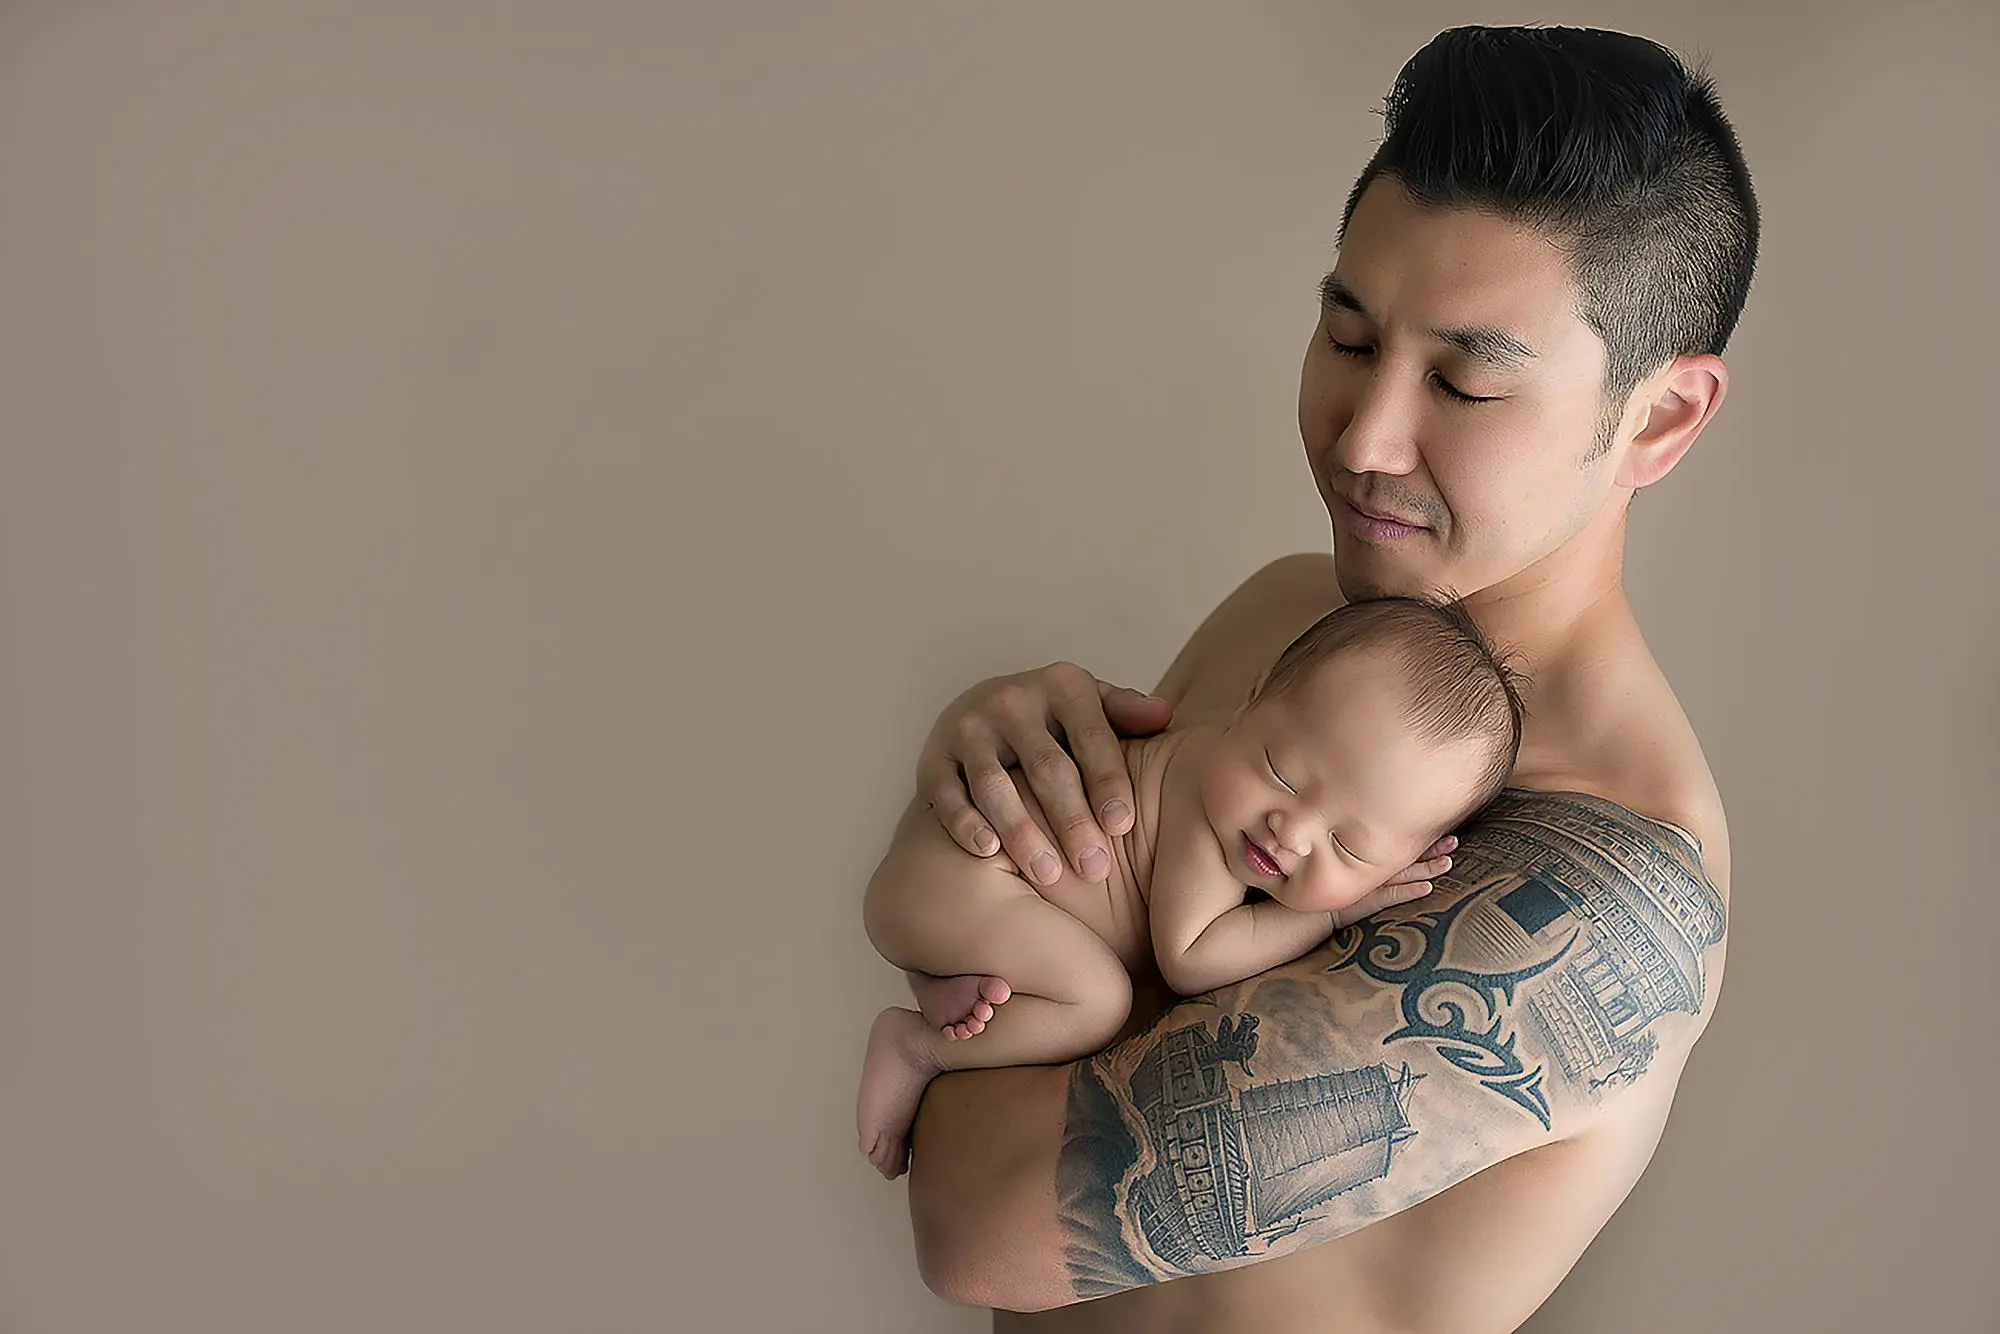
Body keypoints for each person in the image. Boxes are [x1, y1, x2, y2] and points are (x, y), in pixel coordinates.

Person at [896, 24, 1756, 1332]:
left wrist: (986, 907)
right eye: (1349, 340)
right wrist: (979, 783)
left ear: (1659, 417)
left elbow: (979, 1214)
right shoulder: (1296, 610)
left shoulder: (1614, 885)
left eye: (1464, 384)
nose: (1363, 438)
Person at [857, 598, 1525, 1180]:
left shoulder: (1238, 791)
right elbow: (1193, 957)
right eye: (1282, 774)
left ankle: (946, 979)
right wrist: (1338, 910)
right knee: (1095, 1001)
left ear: (1404, 861)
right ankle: (916, 1044)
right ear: (1252, 697)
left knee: (1055, 969)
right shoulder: (1202, 802)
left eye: (1349, 848)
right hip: (962, 874)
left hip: (955, 882)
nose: (1289, 832)